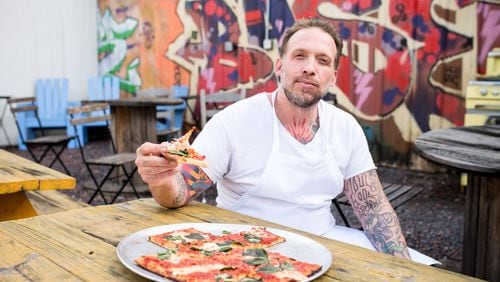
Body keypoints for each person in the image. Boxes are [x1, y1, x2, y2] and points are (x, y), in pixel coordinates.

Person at [136, 17, 436, 264]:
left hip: (323, 242)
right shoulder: (235, 120)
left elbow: (373, 210)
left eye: (322, 60)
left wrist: (402, 268)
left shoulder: (345, 127)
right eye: (300, 56)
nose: (310, 67)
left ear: (333, 76)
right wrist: (161, 177)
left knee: (429, 269)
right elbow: (178, 193)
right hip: (242, 248)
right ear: (280, 66)